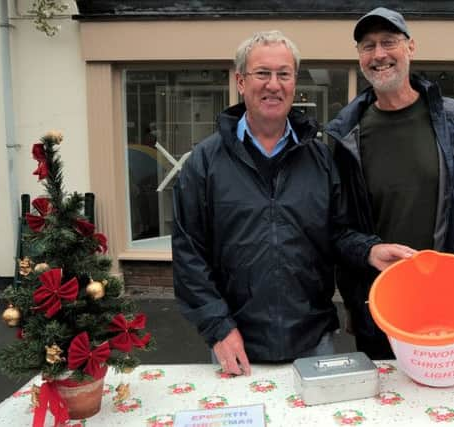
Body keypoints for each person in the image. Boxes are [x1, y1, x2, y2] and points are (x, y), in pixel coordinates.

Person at [172, 30, 412, 375]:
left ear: (294, 82)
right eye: (262, 74)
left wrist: (369, 251)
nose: (273, 84)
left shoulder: (320, 158)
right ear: (241, 81)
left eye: (283, 74)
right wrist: (218, 328)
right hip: (236, 345)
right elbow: (188, 254)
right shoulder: (205, 162)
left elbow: (339, 232)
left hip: (313, 341)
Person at [325, 8, 454, 360]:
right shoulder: (345, 135)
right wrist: (368, 251)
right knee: (385, 409)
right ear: (360, 57)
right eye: (368, 45)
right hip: (383, 306)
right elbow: (335, 226)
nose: (379, 54)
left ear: (411, 48)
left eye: (389, 42)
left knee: (451, 403)